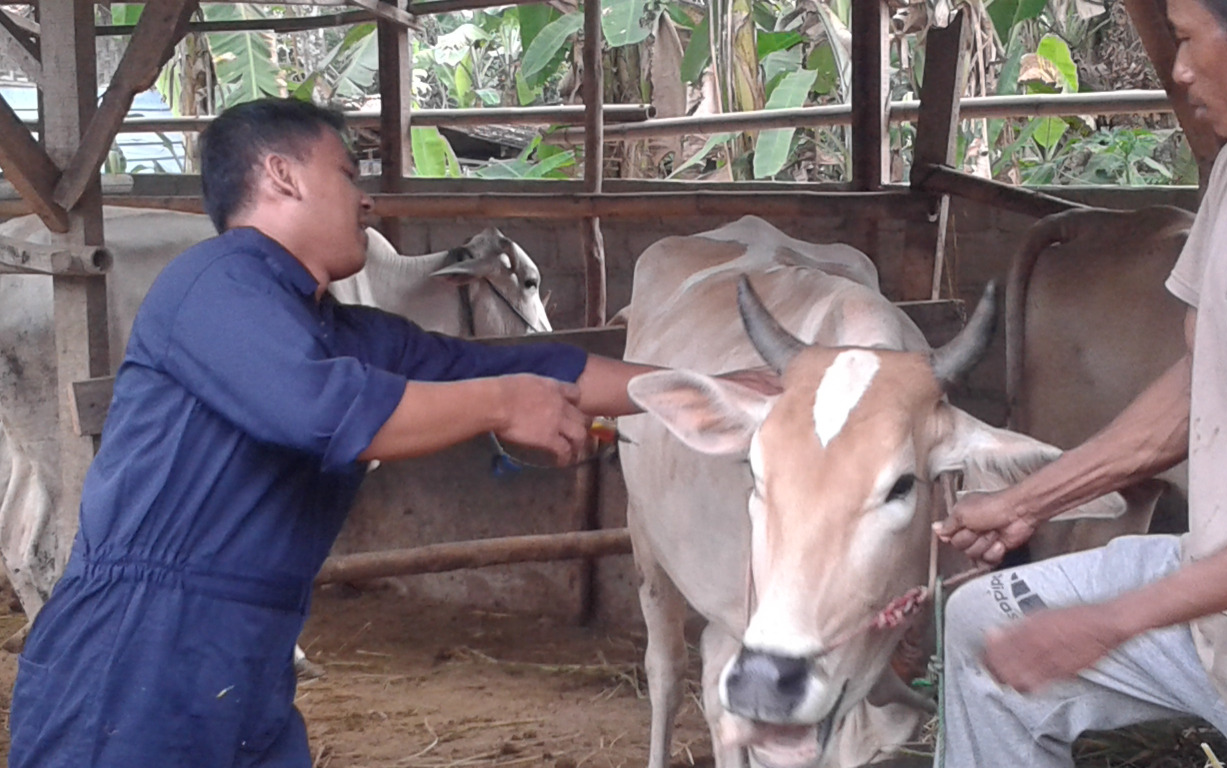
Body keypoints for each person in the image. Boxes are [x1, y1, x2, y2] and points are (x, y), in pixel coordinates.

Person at [4, 98, 729, 768]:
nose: (367, 197)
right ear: (281, 177)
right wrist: (505, 402)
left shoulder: (346, 332)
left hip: (248, 658)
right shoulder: (217, 286)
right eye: (348, 173)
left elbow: (524, 362)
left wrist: (721, 393)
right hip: (133, 655)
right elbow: (323, 412)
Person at [931, 0, 1227, 764]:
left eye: (1186, 40)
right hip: (1219, 616)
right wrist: (1028, 502)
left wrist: (1117, 619)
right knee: (982, 626)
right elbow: (1200, 380)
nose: (1178, 69)